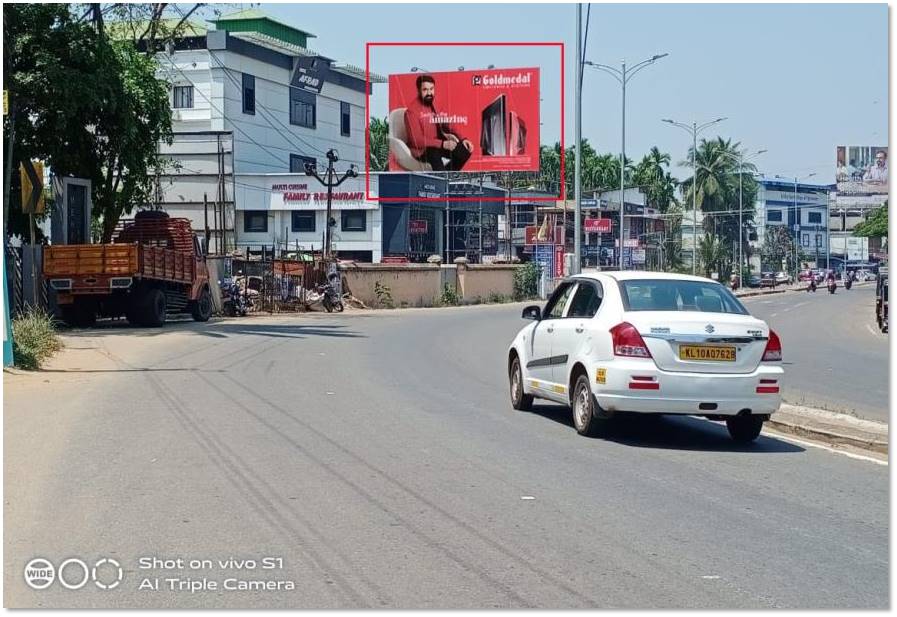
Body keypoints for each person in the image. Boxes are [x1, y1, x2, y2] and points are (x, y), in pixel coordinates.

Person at [403, 74, 473, 171]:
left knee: (465, 151)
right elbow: (417, 140)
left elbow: (447, 122)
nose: (429, 93)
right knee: (434, 154)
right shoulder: (411, 112)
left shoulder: (434, 102)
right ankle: (442, 175)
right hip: (422, 150)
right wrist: (442, 144)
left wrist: (463, 138)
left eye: (431, 89)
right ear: (418, 90)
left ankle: (447, 173)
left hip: (439, 143)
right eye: (425, 90)